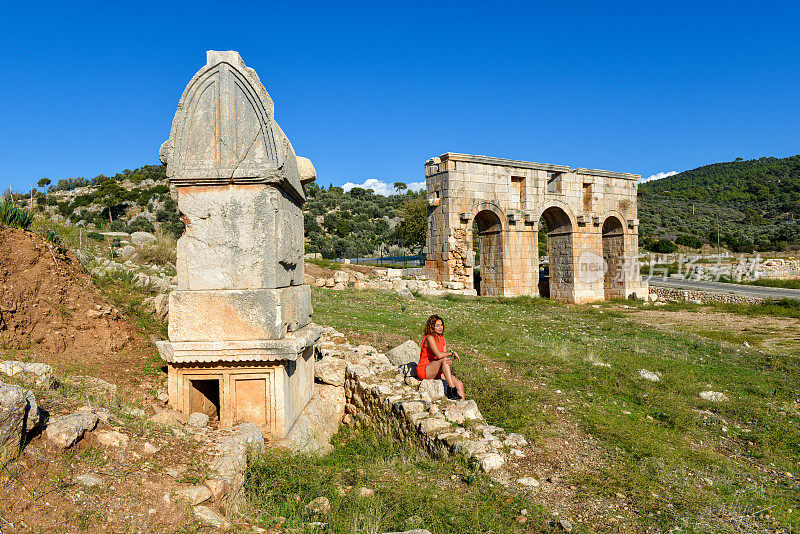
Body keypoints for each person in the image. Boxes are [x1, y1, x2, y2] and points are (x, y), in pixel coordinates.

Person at [416, 314, 465, 400]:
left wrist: (448, 362)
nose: (440, 327)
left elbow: (444, 356)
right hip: (425, 369)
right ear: (432, 327)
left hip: (436, 369)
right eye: (437, 325)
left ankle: (462, 406)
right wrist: (452, 353)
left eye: (441, 325)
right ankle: (451, 389)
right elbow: (439, 355)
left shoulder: (442, 339)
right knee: (444, 358)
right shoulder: (429, 338)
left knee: (459, 384)